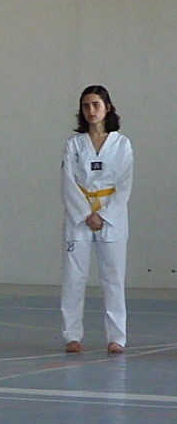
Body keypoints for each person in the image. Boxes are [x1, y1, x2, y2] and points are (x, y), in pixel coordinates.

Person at [60, 85, 133, 354]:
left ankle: (117, 337)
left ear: (107, 108)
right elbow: (67, 182)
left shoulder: (122, 144)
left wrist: (103, 215)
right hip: (79, 216)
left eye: (96, 105)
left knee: (113, 279)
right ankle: (72, 335)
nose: (91, 110)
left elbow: (124, 185)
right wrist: (85, 214)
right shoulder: (74, 144)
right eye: (86, 106)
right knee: (74, 278)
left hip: (111, 218)